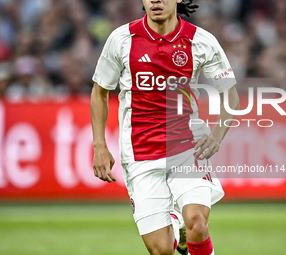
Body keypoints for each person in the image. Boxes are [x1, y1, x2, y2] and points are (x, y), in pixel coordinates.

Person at [91, 1, 239, 255]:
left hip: (187, 148)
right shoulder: (121, 39)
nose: (156, 0)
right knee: (161, 251)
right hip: (140, 154)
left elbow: (230, 94)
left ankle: (183, 221)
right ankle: (174, 222)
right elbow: (100, 92)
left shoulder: (200, 41)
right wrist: (100, 146)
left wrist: (216, 136)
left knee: (197, 222)